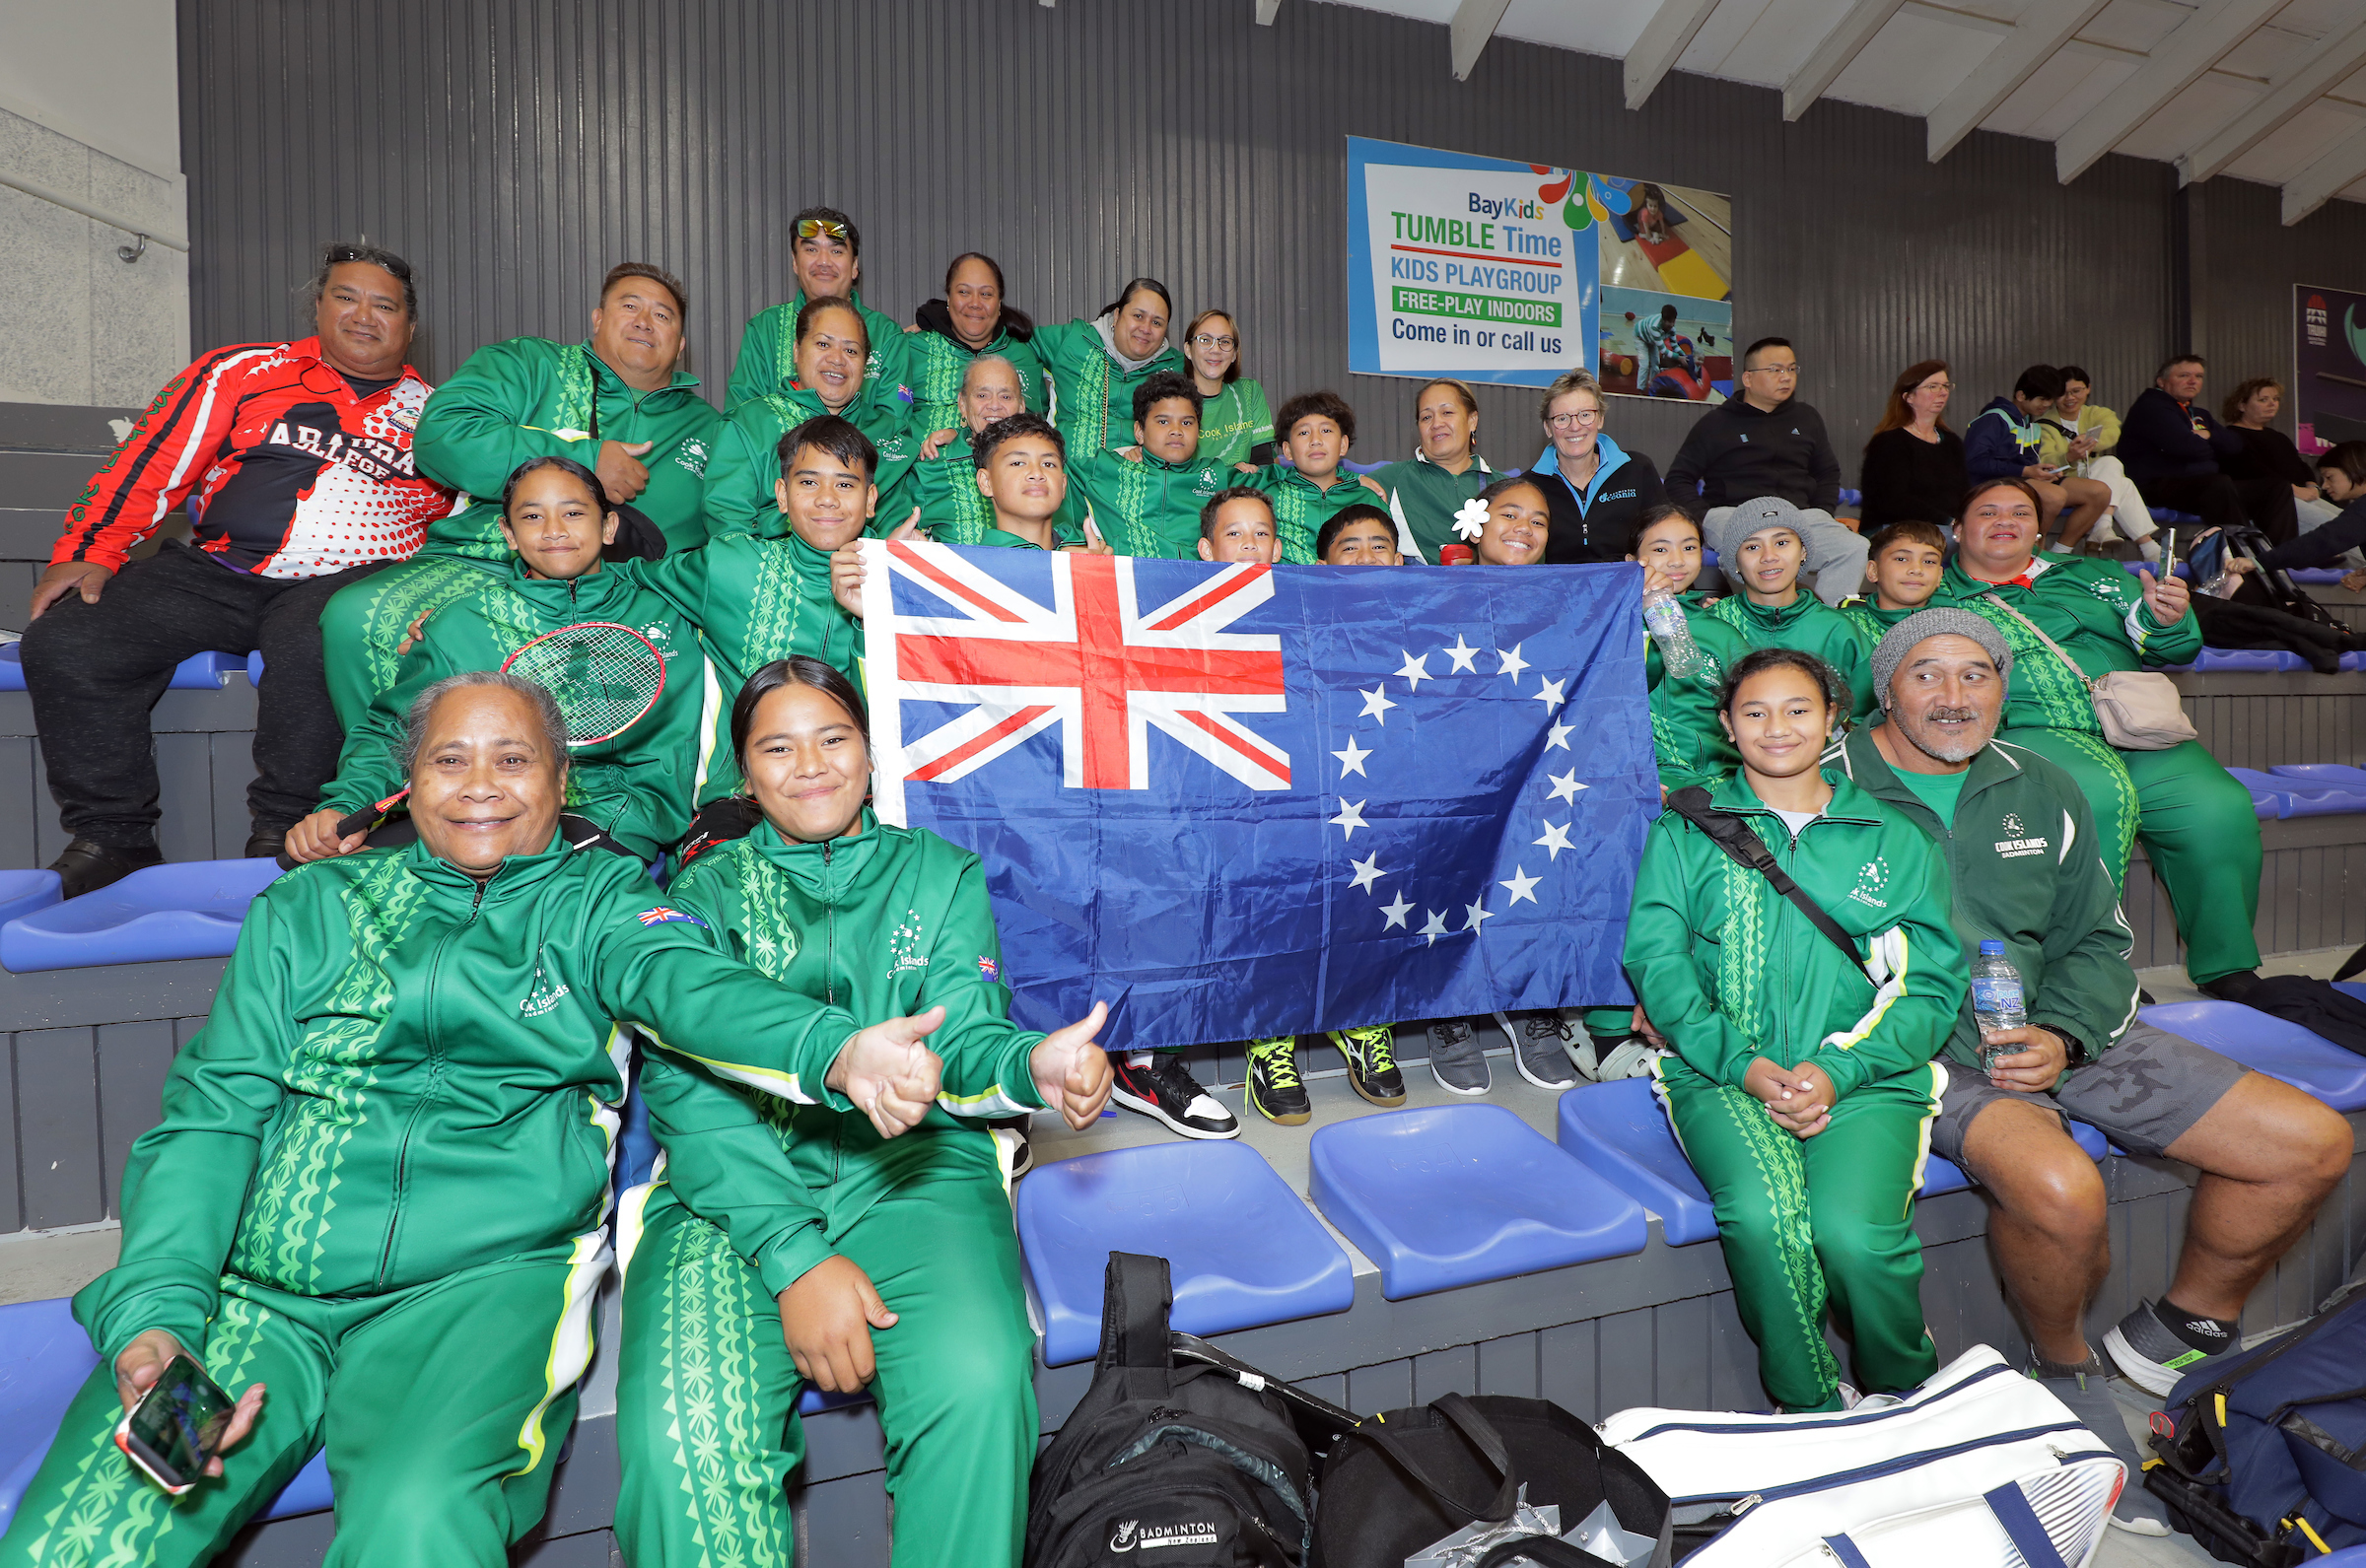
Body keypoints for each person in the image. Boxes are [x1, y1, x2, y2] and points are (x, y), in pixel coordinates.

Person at [0, 670, 950, 1568]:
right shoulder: (310, 906)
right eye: (449, 759)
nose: (480, 786)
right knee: (88, 1537)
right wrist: (156, 1314)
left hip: (479, 1292)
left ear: (561, 778)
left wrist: (833, 1047)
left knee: (421, 1524)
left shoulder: (606, 901)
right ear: (405, 785)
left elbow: (691, 986)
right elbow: (210, 1116)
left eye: (514, 758)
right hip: (255, 1295)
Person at [1830, 612, 2350, 1488]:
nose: (1954, 697)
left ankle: (2175, 1335)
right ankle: (2064, 1368)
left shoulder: (2043, 783)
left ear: (2004, 686)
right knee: (2063, 1188)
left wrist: (2065, 1034)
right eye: (1927, 674)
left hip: (2052, 1021)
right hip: (1906, 1045)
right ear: (1888, 687)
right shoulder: (1822, 782)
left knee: (2308, 1143)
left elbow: (2098, 942)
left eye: (1976, 674)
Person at [614, 657, 1114, 1568]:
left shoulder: (941, 874)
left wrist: (1030, 1066)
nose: (810, 764)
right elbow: (686, 1093)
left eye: (833, 738)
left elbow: (964, 1043)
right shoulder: (700, 894)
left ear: (873, 753)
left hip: (917, 1176)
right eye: (778, 746)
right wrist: (798, 1257)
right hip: (736, 1193)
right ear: (745, 775)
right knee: (684, 1446)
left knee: (980, 1386)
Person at [22, 242, 454, 895]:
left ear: (409, 326)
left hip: (347, 582)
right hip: (219, 570)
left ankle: (281, 836)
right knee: (67, 638)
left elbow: (458, 521)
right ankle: (113, 837)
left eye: (384, 305)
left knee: (315, 637)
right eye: (346, 297)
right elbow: (152, 462)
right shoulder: (243, 371)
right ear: (318, 306)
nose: (364, 315)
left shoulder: (441, 415)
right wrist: (90, 548)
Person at [1624, 648, 1965, 1413]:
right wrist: (1741, 1063)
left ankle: (1903, 1390)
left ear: (1834, 719)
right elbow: (1657, 958)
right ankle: (1807, 1404)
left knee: (1854, 1235)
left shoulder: (1892, 835)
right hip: (1721, 1071)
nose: (1777, 727)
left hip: (1865, 1075)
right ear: (1726, 725)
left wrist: (1837, 1071)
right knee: (1762, 1215)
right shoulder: (1687, 827)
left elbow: (1930, 987)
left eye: (1798, 709)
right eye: (1755, 711)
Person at [316, 261, 720, 731]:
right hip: (480, 563)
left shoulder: (710, 428)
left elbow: (732, 528)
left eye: (663, 315)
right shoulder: (528, 365)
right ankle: (398, 793)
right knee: (355, 618)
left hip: (619, 594)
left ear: (682, 344)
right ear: (597, 318)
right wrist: (584, 459)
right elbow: (441, 437)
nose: (644, 321)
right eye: (629, 306)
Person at [1932, 479, 2269, 1000]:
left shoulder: (2094, 574)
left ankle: (2227, 963)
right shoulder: (1934, 596)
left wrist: (2169, 619)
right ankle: (2092, 973)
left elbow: (2166, 648)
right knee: (2095, 796)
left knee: (2216, 806)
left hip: (2132, 725)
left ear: (2039, 529)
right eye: (1987, 511)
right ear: (1957, 530)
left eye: (2020, 512)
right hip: (2029, 731)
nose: (2005, 520)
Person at [288, 456, 706, 864]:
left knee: (527, 885)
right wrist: (345, 805)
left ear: (609, 525)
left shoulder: (672, 609)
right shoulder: (461, 621)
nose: (555, 531)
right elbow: (394, 730)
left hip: (620, 812)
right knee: (341, 869)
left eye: (574, 513)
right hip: (479, 807)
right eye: (532, 517)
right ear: (508, 533)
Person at [1423, 475, 1587, 1093]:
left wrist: (1649, 606)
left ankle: (1530, 1005)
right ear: (1476, 522)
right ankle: (1452, 1012)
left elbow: (1637, 667)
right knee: (1448, 876)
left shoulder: (1572, 599)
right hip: (1450, 772)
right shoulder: (1429, 590)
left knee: (1538, 876)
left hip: (1536, 768)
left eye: (1539, 520)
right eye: (1509, 513)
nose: (1524, 527)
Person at [641, 417, 873, 822]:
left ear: (870, 500)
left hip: (852, 796)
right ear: (781, 495)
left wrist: (872, 618)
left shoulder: (893, 584)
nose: (827, 499)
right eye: (808, 482)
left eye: (845, 484)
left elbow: (896, 717)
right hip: (738, 801)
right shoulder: (730, 566)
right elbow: (627, 578)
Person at [1663, 337, 1868, 606]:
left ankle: (1825, 623)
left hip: (1798, 516)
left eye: (1791, 369)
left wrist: (1821, 510)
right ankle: (1755, 621)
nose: (1786, 377)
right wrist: (1705, 518)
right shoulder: (1716, 423)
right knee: (1740, 548)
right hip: (1733, 513)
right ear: (1748, 378)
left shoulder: (1807, 418)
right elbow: (1679, 479)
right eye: (1775, 370)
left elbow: (1827, 473)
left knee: (1855, 548)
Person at [704, 296, 918, 537]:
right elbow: (730, 532)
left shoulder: (890, 434)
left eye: (851, 350)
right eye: (823, 345)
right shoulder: (748, 425)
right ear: (797, 351)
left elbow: (903, 522)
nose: (837, 359)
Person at [1703, 498, 1878, 724]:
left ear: (1803, 551)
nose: (1769, 556)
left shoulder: (1840, 631)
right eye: (1752, 547)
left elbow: (1867, 721)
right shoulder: (1712, 625)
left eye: (1782, 542)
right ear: (1735, 561)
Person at [728, 206, 911, 413]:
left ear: (854, 266)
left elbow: (894, 425)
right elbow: (741, 415)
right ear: (795, 262)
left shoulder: (886, 335)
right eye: (811, 250)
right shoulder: (764, 328)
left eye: (836, 251)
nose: (824, 262)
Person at [2119, 354, 2298, 547]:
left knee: (2276, 488)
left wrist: (2209, 436)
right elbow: (2186, 448)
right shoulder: (2152, 406)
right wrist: (2211, 448)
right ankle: (2245, 556)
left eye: (2199, 376)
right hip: (2155, 485)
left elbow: (2236, 446)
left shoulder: (2199, 413)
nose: (2193, 381)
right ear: (2161, 381)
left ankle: (2280, 557)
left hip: (2198, 485)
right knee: (2218, 484)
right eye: (2184, 375)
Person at [1067, 372, 1228, 560]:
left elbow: (1270, 484)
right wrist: (1071, 542)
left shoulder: (1217, 475)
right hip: (1125, 581)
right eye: (1163, 421)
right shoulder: (1105, 469)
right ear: (1139, 431)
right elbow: (1052, 480)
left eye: (1186, 422)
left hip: (1199, 583)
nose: (1176, 430)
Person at [1033, 277, 1188, 458]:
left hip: (1138, 482)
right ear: (1117, 316)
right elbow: (1017, 349)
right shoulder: (1074, 340)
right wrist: (1034, 412)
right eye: (1138, 316)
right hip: (1068, 477)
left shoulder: (1178, 368)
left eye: (1157, 323)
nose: (1146, 328)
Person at [1961, 367, 2112, 552]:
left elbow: (2030, 462)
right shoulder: (1993, 419)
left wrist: (2044, 471)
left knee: (2099, 492)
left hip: (2023, 479)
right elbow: (1974, 461)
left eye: (2050, 400)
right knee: (2054, 496)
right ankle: (2031, 551)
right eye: (2042, 399)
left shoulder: (2030, 423)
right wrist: (2025, 471)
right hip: (1991, 484)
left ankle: (2060, 552)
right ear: (2021, 395)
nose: (2047, 405)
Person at [1524, 369, 1668, 563]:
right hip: (1557, 589)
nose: (1575, 426)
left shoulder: (1637, 469)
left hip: (1626, 587)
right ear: (1548, 428)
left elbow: (1665, 536)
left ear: (1600, 419)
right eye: (1562, 418)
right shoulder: (1528, 487)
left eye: (1585, 415)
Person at [908, 355, 1054, 544]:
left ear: (1021, 407)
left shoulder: (1044, 465)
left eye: (1006, 396)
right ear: (962, 404)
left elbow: (1065, 531)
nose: (994, 406)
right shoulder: (931, 464)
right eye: (982, 395)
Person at [905, 251, 1047, 443]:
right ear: (948, 298)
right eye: (964, 292)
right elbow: (892, 418)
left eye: (986, 294)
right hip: (927, 468)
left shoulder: (1023, 356)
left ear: (999, 304)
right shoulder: (913, 349)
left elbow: (1034, 429)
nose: (974, 303)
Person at [1245, 390, 1390, 563]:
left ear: (1343, 445)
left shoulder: (1368, 499)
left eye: (1326, 430)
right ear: (1287, 450)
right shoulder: (1266, 490)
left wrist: (1354, 479)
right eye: (1304, 433)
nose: (1316, 440)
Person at [2037, 367, 2161, 560]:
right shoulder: (2043, 424)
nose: (2069, 398)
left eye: (2076, 391)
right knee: (2112, 466)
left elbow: (2112, 432)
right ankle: (2121, 533)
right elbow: (2044, 459)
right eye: (2062, 393)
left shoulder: (2097, 413)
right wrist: (2068, 457)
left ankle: (2144, 546)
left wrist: (2089, 442)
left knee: (2116, 473)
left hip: (2095, 480)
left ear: (2088, 389)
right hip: (2066, 481)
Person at [1371, 378, 1496, 564]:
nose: (1437, 423)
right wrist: (1352, 482)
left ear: (1472, 420)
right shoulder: (1389, 479)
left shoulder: (1503, 488)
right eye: (1426, 417)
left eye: (1447, 412)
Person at [963, 412, 1101, 552]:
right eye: (1017, 463)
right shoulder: (970, 568)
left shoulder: (1091, 552)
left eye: (1048, 464)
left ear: (1063, 485)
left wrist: (1094, 570)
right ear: (986, 482)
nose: (1037, 474)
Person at [2221, 377, 2340, 532]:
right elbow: (2252, 471)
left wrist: (2313, 486)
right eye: (2263, 400)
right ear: (2242, 405)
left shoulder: (2278, 436)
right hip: (2275, 500)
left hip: (2302, 496)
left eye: (2275, 399)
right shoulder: (2231, 436)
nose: (2272, 404)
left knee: (2349, 520)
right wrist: (2294, 490)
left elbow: (2300, 465)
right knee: (2336, 527)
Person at [1856, 361, 1964, 530]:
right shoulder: (1889, 442)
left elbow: (1964, 494)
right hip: (1896, 529)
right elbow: (1893, 502)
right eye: (1932, 387)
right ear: (1909, 397)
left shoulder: (1952, 442)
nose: (1942, 392)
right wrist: (1948, 521)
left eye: (1945, 386)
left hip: (1945, 528)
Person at [1181, 308, 1273, 472]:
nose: (1215, 349)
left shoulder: (1250, 392)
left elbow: (1263, 463)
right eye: (1205, 340)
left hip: (1239, 493)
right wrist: (1228, 473)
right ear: (1188, 349)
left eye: (1225, 342)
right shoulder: (1170, 399)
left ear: (1234, 354)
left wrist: (1250, 470)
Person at [1835, 520, 1947, 644]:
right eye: (1901, 559)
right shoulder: (1842, 626)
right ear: (1873, 571)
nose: (1916, 569)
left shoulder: (1952, 629)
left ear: (1939, 576)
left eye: (1929, 562)